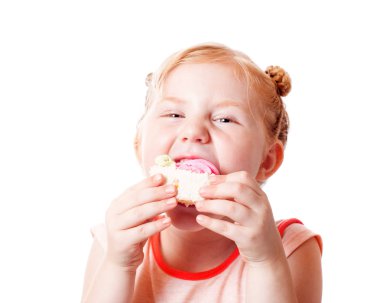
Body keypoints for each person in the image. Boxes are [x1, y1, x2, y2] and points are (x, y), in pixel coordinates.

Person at [81, 42, 323, 303]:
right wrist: (119, 266)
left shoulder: (289, 248)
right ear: (139, 145)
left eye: (224, 119)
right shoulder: (114, 243)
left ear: (267, 160)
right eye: (174, 114)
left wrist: (265, 262)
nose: (194, 131)